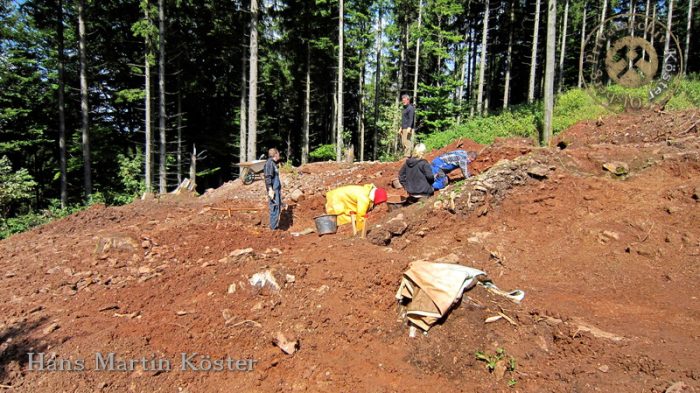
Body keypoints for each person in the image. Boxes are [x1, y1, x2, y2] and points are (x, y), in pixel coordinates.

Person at [264, 148, 282, 230]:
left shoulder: (274, 163)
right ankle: (273, 228)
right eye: (278, 154)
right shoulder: (269, 163)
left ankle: (274, 226)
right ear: (275, 154)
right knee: (274, 207)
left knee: (277, 207)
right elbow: (268, 177)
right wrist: (270, 189)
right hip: (273, 190)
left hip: (276, 189)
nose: (279, 155)